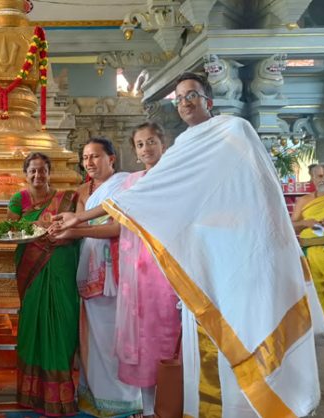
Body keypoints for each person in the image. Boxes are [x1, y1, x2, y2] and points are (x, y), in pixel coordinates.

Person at [52, 72, 321, 417]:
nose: (185, 102)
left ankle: (264, 402)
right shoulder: (183, 147)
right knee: (205, 344)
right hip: (201, 258)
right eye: (178, 98)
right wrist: (80, 219)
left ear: (208, 99)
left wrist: (81, 221)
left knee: (247, 324)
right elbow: (142, 196)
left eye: (192, 94)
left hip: (238, 247)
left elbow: (256, 189)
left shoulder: (233, 130)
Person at [53, 139, 142, 417]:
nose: (89, 163)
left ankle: (126, 399)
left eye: (95, 156)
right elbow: (83, 221)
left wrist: (75, 230)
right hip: (90, 267)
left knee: (117, 335)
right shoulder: (87, 194)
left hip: (115, 269)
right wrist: (67, 224)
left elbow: (116, 227)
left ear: (112, 159)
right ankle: (98, 397)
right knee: (95, 336)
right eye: (86, 157)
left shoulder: (125, 183)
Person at [114, 122, 181, 418]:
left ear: (163, 144)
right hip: (136, 269)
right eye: (140, 144)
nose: (146, 149)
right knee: (139, 336)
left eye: (151, 141)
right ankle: (147, 407)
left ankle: (172, 406)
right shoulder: (130, 182)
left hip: (166, 266)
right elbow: (119, 220)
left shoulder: (176, 177)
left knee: (167, 333)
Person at [7, 152, 81, 416]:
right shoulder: (19, 199)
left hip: (61, 267)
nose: (38, 176)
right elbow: (12, 231)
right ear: (25, 174)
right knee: (33, 325)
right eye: (33, 171)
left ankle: (59, 396)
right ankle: (32, 395)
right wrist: (39, 226)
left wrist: (59, 233)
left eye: (42, 170)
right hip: (31, 270)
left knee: (61, 325)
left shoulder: (67, 199)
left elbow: (76, 230)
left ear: (50, 172)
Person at [292, 162, 324, 339]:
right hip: (310, 252)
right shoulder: (303, 201)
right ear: (313, 179)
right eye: (320, 176)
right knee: (320, 290)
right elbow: (291, 226)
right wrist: (305, 223)